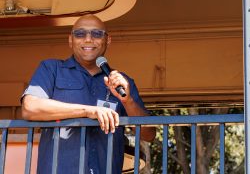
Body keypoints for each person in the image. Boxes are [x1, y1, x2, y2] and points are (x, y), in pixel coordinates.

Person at [21, 14, 156, 174]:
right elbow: (29, 108)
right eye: (80, 34)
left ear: (108, 40)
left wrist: (128, 101)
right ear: (70, 40)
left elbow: (149, 134)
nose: (88, 39)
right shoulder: (52, 69)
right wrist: (88, 111)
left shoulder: (122, 82)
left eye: (96, 34)